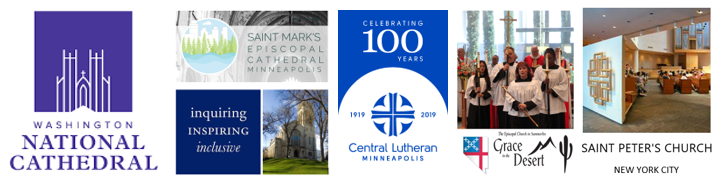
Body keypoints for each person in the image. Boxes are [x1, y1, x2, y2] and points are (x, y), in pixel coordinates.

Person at [533, 48, 569, 129]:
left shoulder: (560, 70)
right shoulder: (539, 70)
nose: (548, 60)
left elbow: (564, 85)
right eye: (546, 58)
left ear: (554, 58)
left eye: (550, 58)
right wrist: (543, 83)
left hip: (556, 104)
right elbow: (534, 83)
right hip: (543, 103)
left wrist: (553, 90)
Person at [504, 62, 543, 128]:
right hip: (516, 115)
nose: (522, 70)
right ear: (517, 71)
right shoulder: (513, 84)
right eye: (520, 69)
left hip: (531, 114)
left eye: (524, 68)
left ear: (528, 70)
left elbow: (538, 97)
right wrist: (517, 105)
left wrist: (526, 105)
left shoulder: (534, 83)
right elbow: (508, 97)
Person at [490, 47, 518, 128]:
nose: (508, 56)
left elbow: (521, 81)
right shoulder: (498, 66)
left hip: (514, 97)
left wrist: (511, 87)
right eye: (506, 54)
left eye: (510, 54)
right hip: (501, 97)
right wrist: (503, 70)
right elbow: (493, 80)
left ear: (514, 55)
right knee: (503, 120)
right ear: (504, 55)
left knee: (513, 120)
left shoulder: (518, 66)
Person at [466, 60, 492, 128]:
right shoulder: (472, 78)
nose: (482, 68)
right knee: (474, 123)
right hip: (475, 104)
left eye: (483, 66)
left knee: (484, 122)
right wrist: (475, 91)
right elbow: (468, 91)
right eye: (480, 66)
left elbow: (492, 90)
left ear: (486, 67)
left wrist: (483, 95)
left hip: (484, 104)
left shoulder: (488, 79)